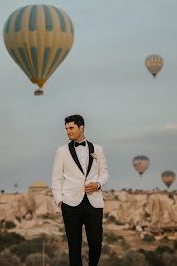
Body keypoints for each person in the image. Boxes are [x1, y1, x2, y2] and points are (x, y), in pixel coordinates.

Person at [51, 114, 109, 266]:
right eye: (66, 129)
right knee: (74, 246)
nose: (68, 132)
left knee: (96, 243)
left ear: (81, 127)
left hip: (94, 202)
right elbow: (56, 179)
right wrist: (60, 201)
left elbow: (104, 173)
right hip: (70, 204)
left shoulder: (98, 149)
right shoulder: (62, 151)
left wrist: (98, 184)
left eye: (71, 128)